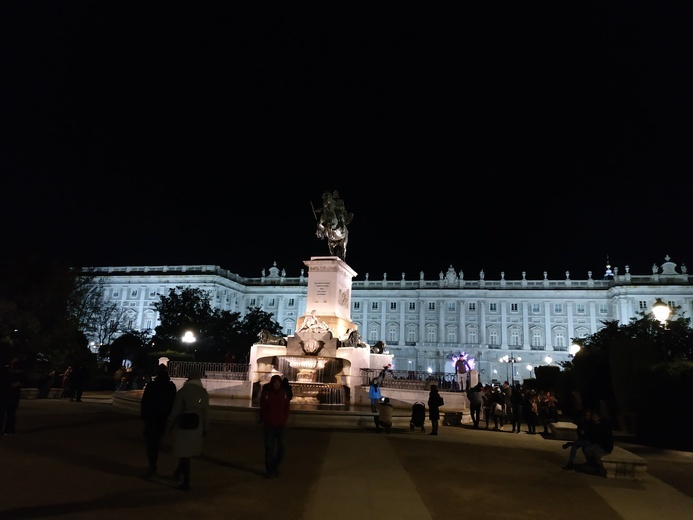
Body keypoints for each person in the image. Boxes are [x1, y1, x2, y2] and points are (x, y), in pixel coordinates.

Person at [166, 368, 210, 491]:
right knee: (187, 453)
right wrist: (205, 427)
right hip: (197, 424)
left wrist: (170, 424)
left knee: (183, 453)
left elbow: (176, 410)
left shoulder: (183, 391)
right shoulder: (203, 392)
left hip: (183, 424)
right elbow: (206, 412)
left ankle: (186, 482)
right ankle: (178, 474)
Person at [140, 364, 177, 479]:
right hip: (162, 417)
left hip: (151, 417)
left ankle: (152, 465)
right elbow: (173, 402)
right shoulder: (170, 386)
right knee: (157, 441)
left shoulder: (152, 385)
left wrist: (144, 415)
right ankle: (153, 465)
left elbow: (145, 401)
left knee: (151, 443)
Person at [260, 374, 292, 478]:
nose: (276, 384)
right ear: (272, 383)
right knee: (269, 448)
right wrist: (266, 419)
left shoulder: (284, 394)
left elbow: (287, 408)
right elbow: (263, 407)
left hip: (280, 425)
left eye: (278, 383)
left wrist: (284, 418)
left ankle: (274, 466)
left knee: (282, 449)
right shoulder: (266, 394)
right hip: (269, 425)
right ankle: (270, 471)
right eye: (275, 382)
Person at [314, 190, 353, 260]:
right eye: (334, 193)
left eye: (336, 194)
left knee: (340, 215)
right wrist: (317, 210)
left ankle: (341, 226)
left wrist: (336, 207)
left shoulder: (340, 200)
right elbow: (324, 207)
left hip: (338, 211)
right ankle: (320, 232)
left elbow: (342, 207)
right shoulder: (330, 201)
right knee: (322, 218)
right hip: (331, 211)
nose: (335, 195)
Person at [0, 354, 24, 435]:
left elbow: (23, 381)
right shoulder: (5, 371)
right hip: (6, 394)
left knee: (10, 413)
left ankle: (9, 430)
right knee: (4, 413)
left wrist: (18, 384)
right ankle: (8, 430)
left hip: (12, 395)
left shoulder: (18, 372)